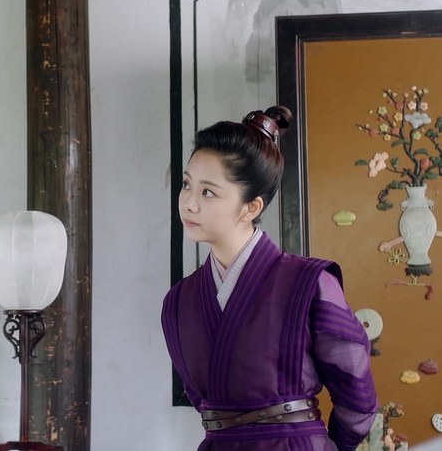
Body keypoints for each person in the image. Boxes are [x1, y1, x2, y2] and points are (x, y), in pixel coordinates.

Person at [161, 106, 378, 450]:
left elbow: (358, 400)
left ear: (251, 207)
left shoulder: (310, 283)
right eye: (187, 184)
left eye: (207, 192)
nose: (188, 203)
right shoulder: (178, 301)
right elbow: (202, 399)